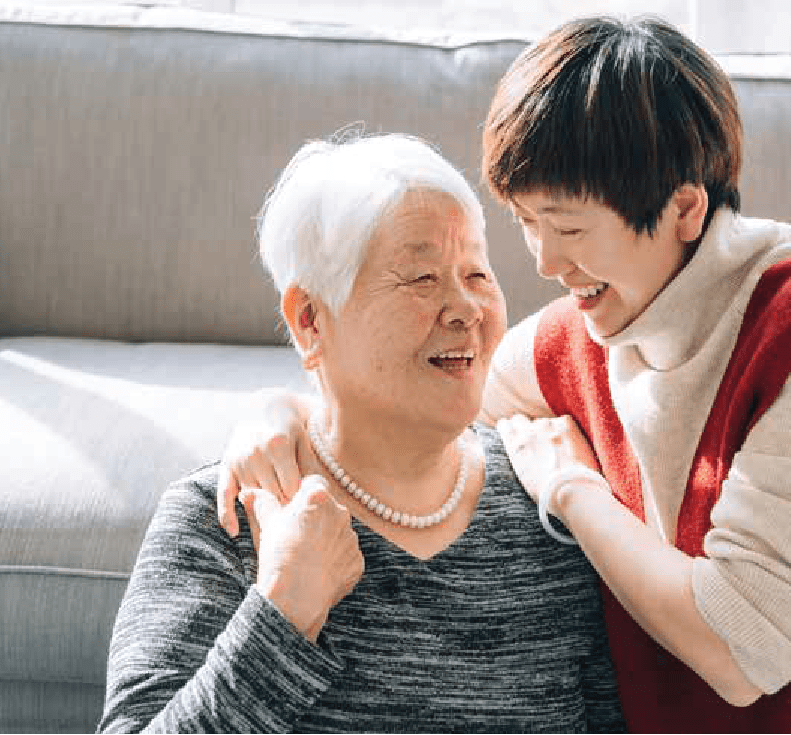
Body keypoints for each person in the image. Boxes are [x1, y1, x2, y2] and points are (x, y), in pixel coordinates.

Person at [214, 17, 791, 734]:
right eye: (526, 223)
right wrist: (279, 411)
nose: (544, 263)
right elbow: (421, 398)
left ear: (685, 211)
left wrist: (573, 493)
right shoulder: (599, 319)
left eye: (567, 227)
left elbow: (741, 649)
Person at [98, 133, 624, 734]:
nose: (466, 309)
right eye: (421, 277)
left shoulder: (549, 499)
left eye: (476, 272)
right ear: (310, 320)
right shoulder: (219, 521)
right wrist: (282, 613)